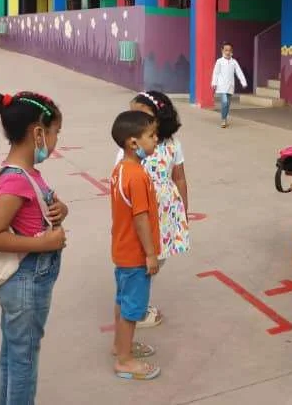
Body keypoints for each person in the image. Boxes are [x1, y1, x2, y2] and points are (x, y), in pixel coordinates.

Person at [0, 91, 68, 404]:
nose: (56, 141)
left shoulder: (27, 174)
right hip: (26, 282)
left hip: (26, 282)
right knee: (24, 360)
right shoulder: (16, 180)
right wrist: (46, 242)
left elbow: (35, 209)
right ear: (38, 133)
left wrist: (60, 210)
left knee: (13, 353)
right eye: (56, 132)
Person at [114, 91, 190, 329]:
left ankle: (137, 301)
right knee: (140, 260)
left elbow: (179, 178)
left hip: (166, 213)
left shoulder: (172, 144)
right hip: (141, 211)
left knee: (156, 259)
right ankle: (135, 308)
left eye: (140, 113)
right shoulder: (132, 147)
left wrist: (183, 212)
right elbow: (120, 180)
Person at [109, 110, 162, 380]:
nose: (156, 139)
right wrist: (150, 254)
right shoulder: (137, 177)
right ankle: (124, 360)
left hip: (121, 250)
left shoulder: (120, 170)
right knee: (133, 308)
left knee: (122, 302)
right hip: (135, 255)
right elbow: (140, 218)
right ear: (133, 143)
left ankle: (121, 346)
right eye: (151, 135)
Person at [211, 42, 247, 128]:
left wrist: (243, 82)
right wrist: (214, 83)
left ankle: (225, 117)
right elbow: (215, 73)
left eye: (229, 50)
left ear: (232, 51)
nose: (228, 52)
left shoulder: (234, 62)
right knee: (224, 102)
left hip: (230, 86)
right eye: (226, 50)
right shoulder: (219, 61)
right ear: (222, 50)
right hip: (221, 86)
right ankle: (223, 120)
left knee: (228, 104)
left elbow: (239, 72)